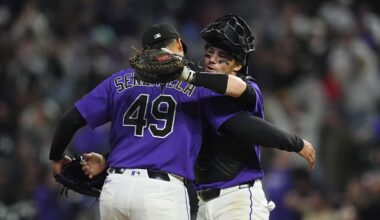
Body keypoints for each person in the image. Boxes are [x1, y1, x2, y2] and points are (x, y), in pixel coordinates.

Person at [50, 23, 314, 220]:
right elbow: (229, 125)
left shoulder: (121, 81)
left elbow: (70, 120)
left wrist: (61, 158)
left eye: (221, 57)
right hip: (173, 196)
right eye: (209, 53)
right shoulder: (194, 89)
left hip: (230, 198)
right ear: (178, 45)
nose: (211, 59)